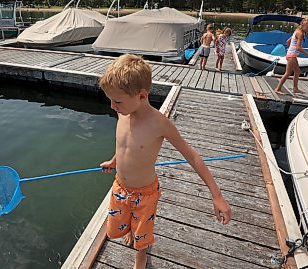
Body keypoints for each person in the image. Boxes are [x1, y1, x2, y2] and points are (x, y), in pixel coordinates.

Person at [98, 54, 231, 269]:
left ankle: (140, 260)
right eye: (110, 100)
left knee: (142, 237)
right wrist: (114, 161)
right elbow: (123, 143)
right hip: (120, 186)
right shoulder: (124, 112)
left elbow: (192, 156)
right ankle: (132, 233)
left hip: (145, 193)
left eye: (117, 101)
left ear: (142, 96)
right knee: (117, 228)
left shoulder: (159, 123)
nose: (112, 106)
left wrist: (217, 196)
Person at [274, 18, 308, 95]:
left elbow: (288, 41)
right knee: (288, 73)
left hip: (291, 54)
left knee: (297, 71)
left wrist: (290, 49)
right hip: (292, 56)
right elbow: (298, 47)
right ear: (303, 25)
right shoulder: (300, 34)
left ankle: (295, 88)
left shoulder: (297, 31)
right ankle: (278, 88)